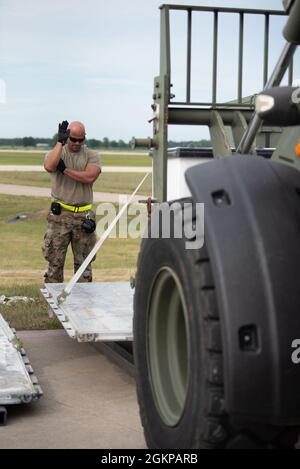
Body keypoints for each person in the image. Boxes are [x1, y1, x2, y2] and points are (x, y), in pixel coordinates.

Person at [43, 120, 101, 283]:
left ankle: (83, 307)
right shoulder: (58, 152)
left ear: (84, 138)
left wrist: (65, 170)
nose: (76, 143)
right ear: (67, 136)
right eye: (73, 139)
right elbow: (49, 166)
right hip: (59, 215)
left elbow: (89, 177)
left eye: (80, 140)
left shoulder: (91, 155)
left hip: (84, 216)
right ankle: (52, 307)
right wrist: (59, 143)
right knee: (55, 264)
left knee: (84, 266)